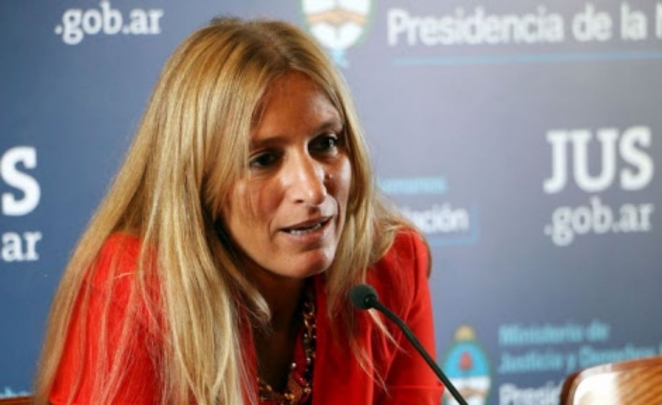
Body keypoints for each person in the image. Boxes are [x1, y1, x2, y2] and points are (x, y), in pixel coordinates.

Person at [34, 17, 443, 405]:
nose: (313, 188)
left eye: (325, 143)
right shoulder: (134, 287)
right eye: (263, 159)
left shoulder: (391, 264)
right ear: (198, 180)